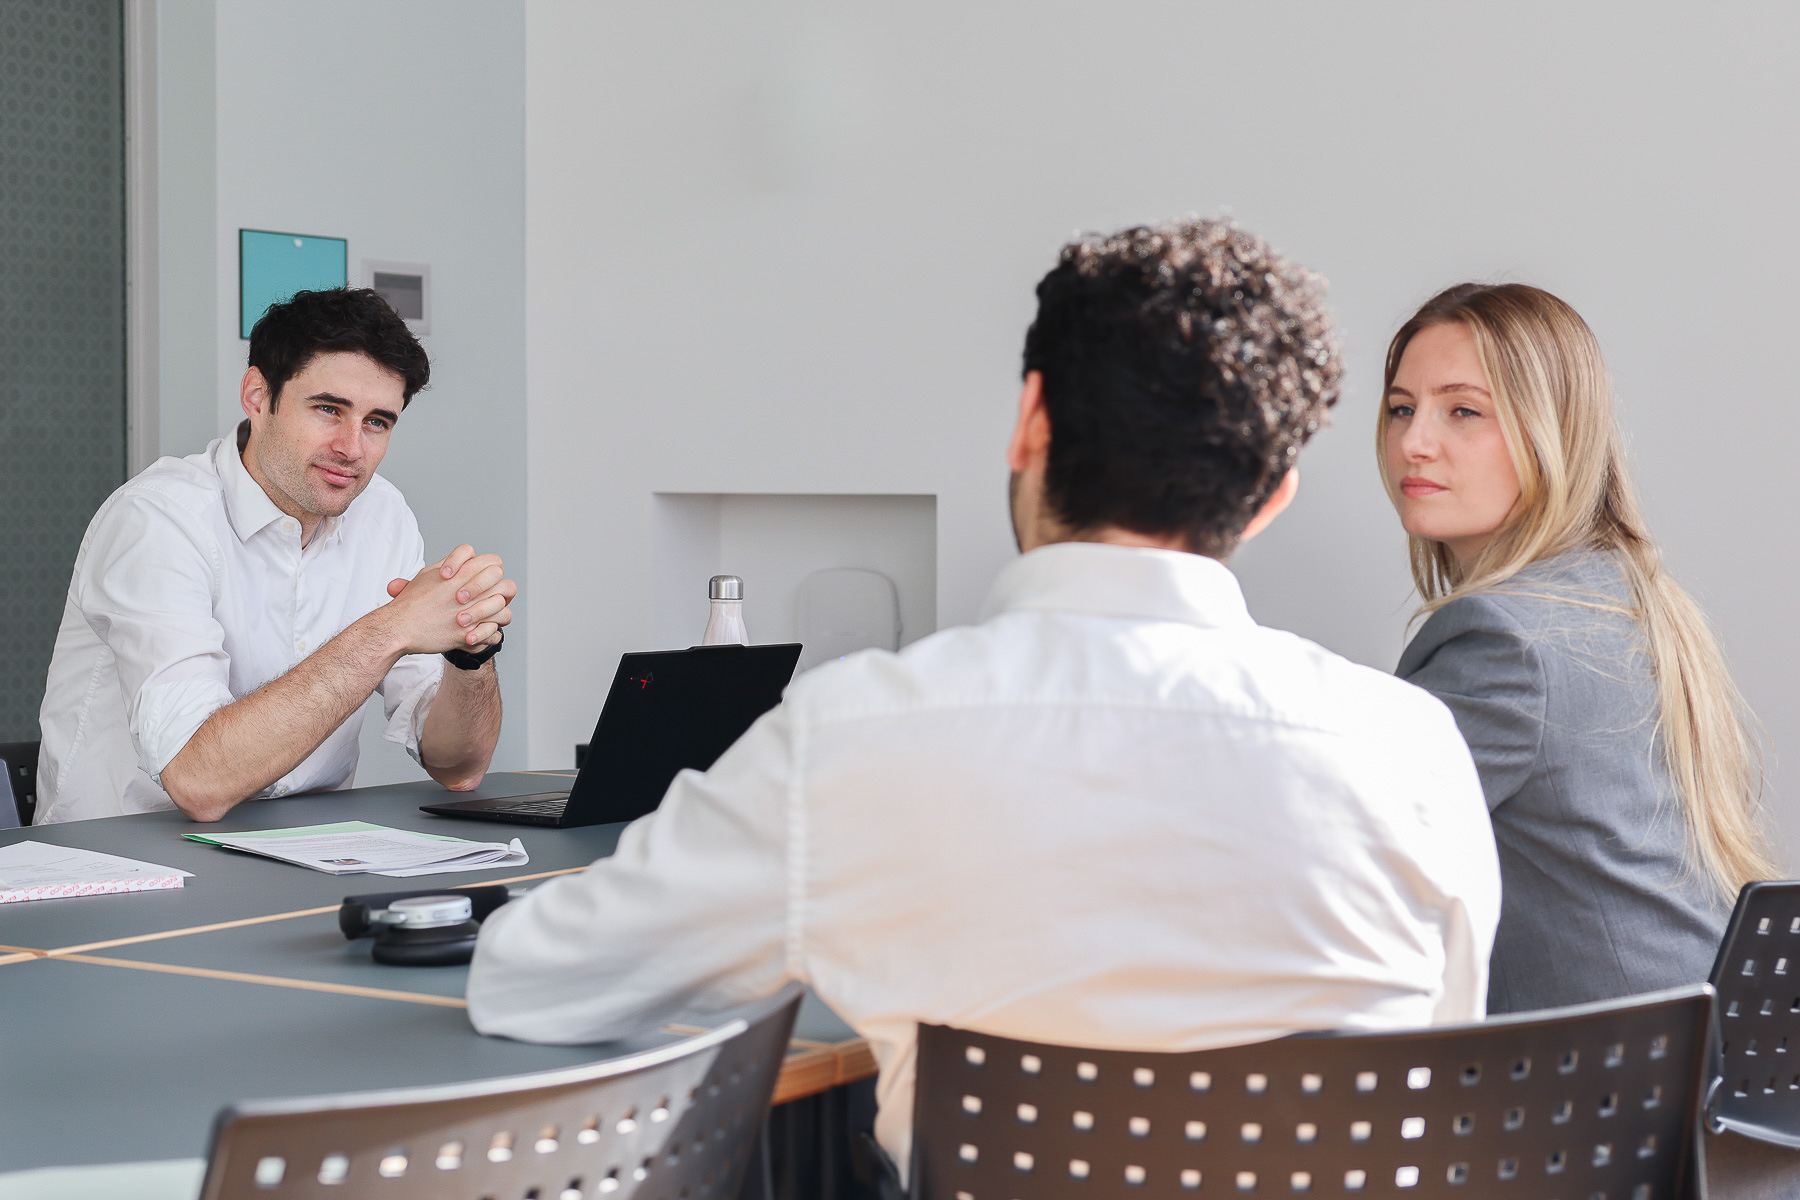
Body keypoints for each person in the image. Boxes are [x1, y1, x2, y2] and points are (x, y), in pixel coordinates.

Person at [467, 218, 1500, 1170]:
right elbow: (1442, 1071)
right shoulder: (1414, 749)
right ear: (1272, 498)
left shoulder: (852, 735)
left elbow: (534, 980)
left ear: (1028, 422)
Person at [1381, 282, 1775, 1014]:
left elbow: (1353, 846)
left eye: (1462, 410)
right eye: (1402, 408)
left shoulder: (1504, 637)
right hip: (1711, 1058)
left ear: (1550, 430)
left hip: (1616, 1091)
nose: (1414, 441)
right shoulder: (1620, 591)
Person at [35, 288, 517, 824]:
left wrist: (470, 651)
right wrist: (391, 629)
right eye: (328, 409)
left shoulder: (385, 515)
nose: (352, 448)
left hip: (305, 857)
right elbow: (199, 781)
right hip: (119, 866)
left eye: (377, 422)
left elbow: (459, 768)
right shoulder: (158, 518)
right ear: (257, 397)